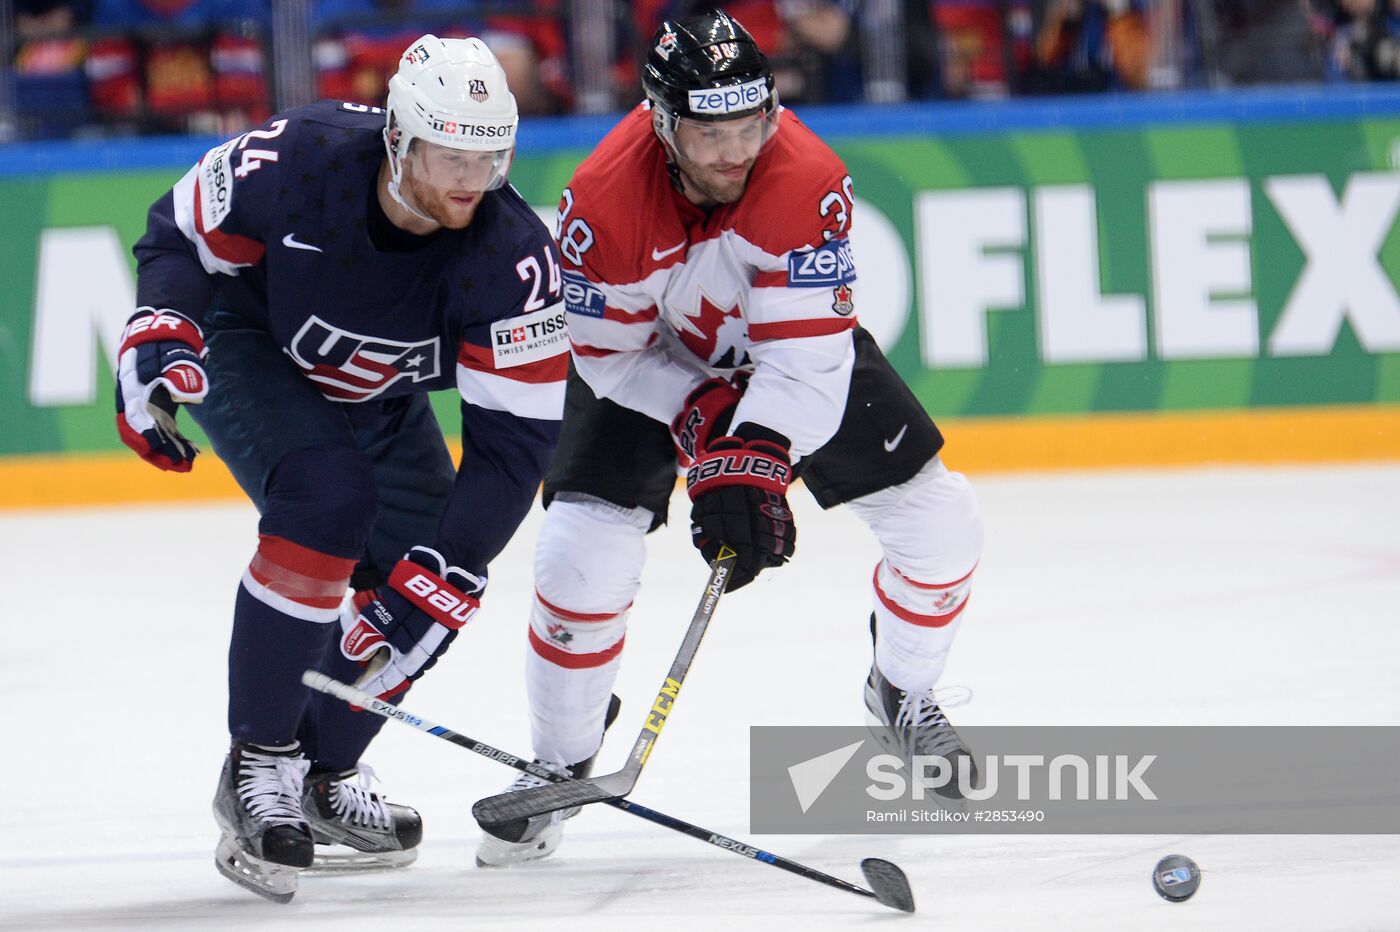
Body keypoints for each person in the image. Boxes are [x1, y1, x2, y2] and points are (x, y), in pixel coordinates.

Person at [473, 9, 984, 867]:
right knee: (577, 554)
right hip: (646, 363)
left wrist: (754, 458)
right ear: (663, 124)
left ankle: (902, 688)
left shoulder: (806, 178)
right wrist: (701, 418)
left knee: (942, 522)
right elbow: (607, 359)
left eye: (752, 126)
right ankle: (557, 763)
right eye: (711, 134)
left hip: (783, 357)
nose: (735, 153)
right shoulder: (602, 204)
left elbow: (808, 366)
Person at [116, 34, 567, 901]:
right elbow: (176, 233)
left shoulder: (514, 260)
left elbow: (514, 445)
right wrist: (159, 332)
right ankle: (261, 760)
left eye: (492, 153)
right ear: (398, 137)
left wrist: (451, 567)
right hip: (248, 345)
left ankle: (324, 771)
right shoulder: (299, 159)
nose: (473, 178)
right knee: (327, 499)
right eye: (451, 153)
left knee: (428, 569)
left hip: (377, 391)